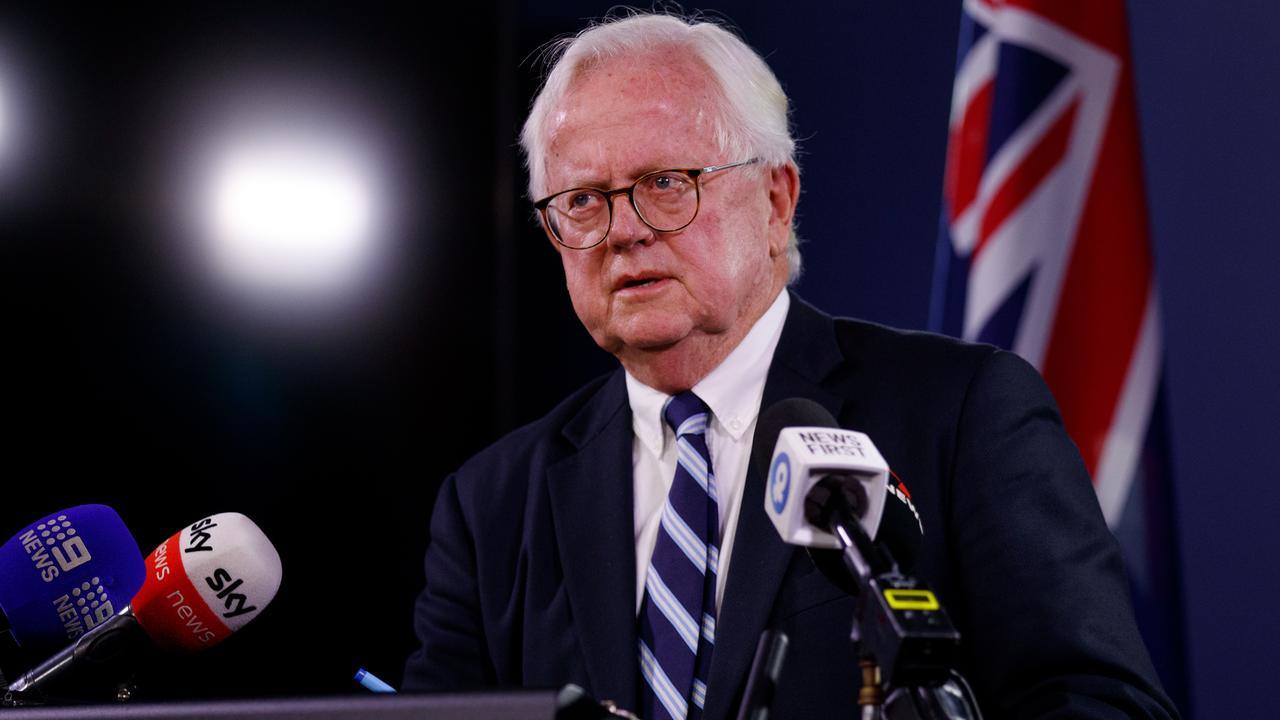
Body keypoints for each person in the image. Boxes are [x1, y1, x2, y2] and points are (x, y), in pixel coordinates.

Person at [404, 12, 1178, 720]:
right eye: (582, 201)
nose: (624, 232)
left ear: (776, 201)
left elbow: (1102, 705)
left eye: (665, 184)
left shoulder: (963, 415)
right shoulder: (492, 506)